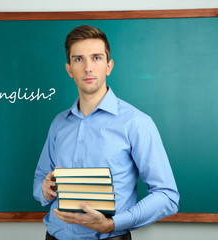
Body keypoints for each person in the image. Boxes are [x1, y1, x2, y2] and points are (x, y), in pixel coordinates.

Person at [33, 25, 179, 240]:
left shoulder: (136, 123)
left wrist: (112, 224)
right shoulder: (59, 123)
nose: (88, 68)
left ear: (109, 66)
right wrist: (44, 190)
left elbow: (167, 196)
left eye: (97, 58)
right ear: (69, 69)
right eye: (79, 59)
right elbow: (39, 180)